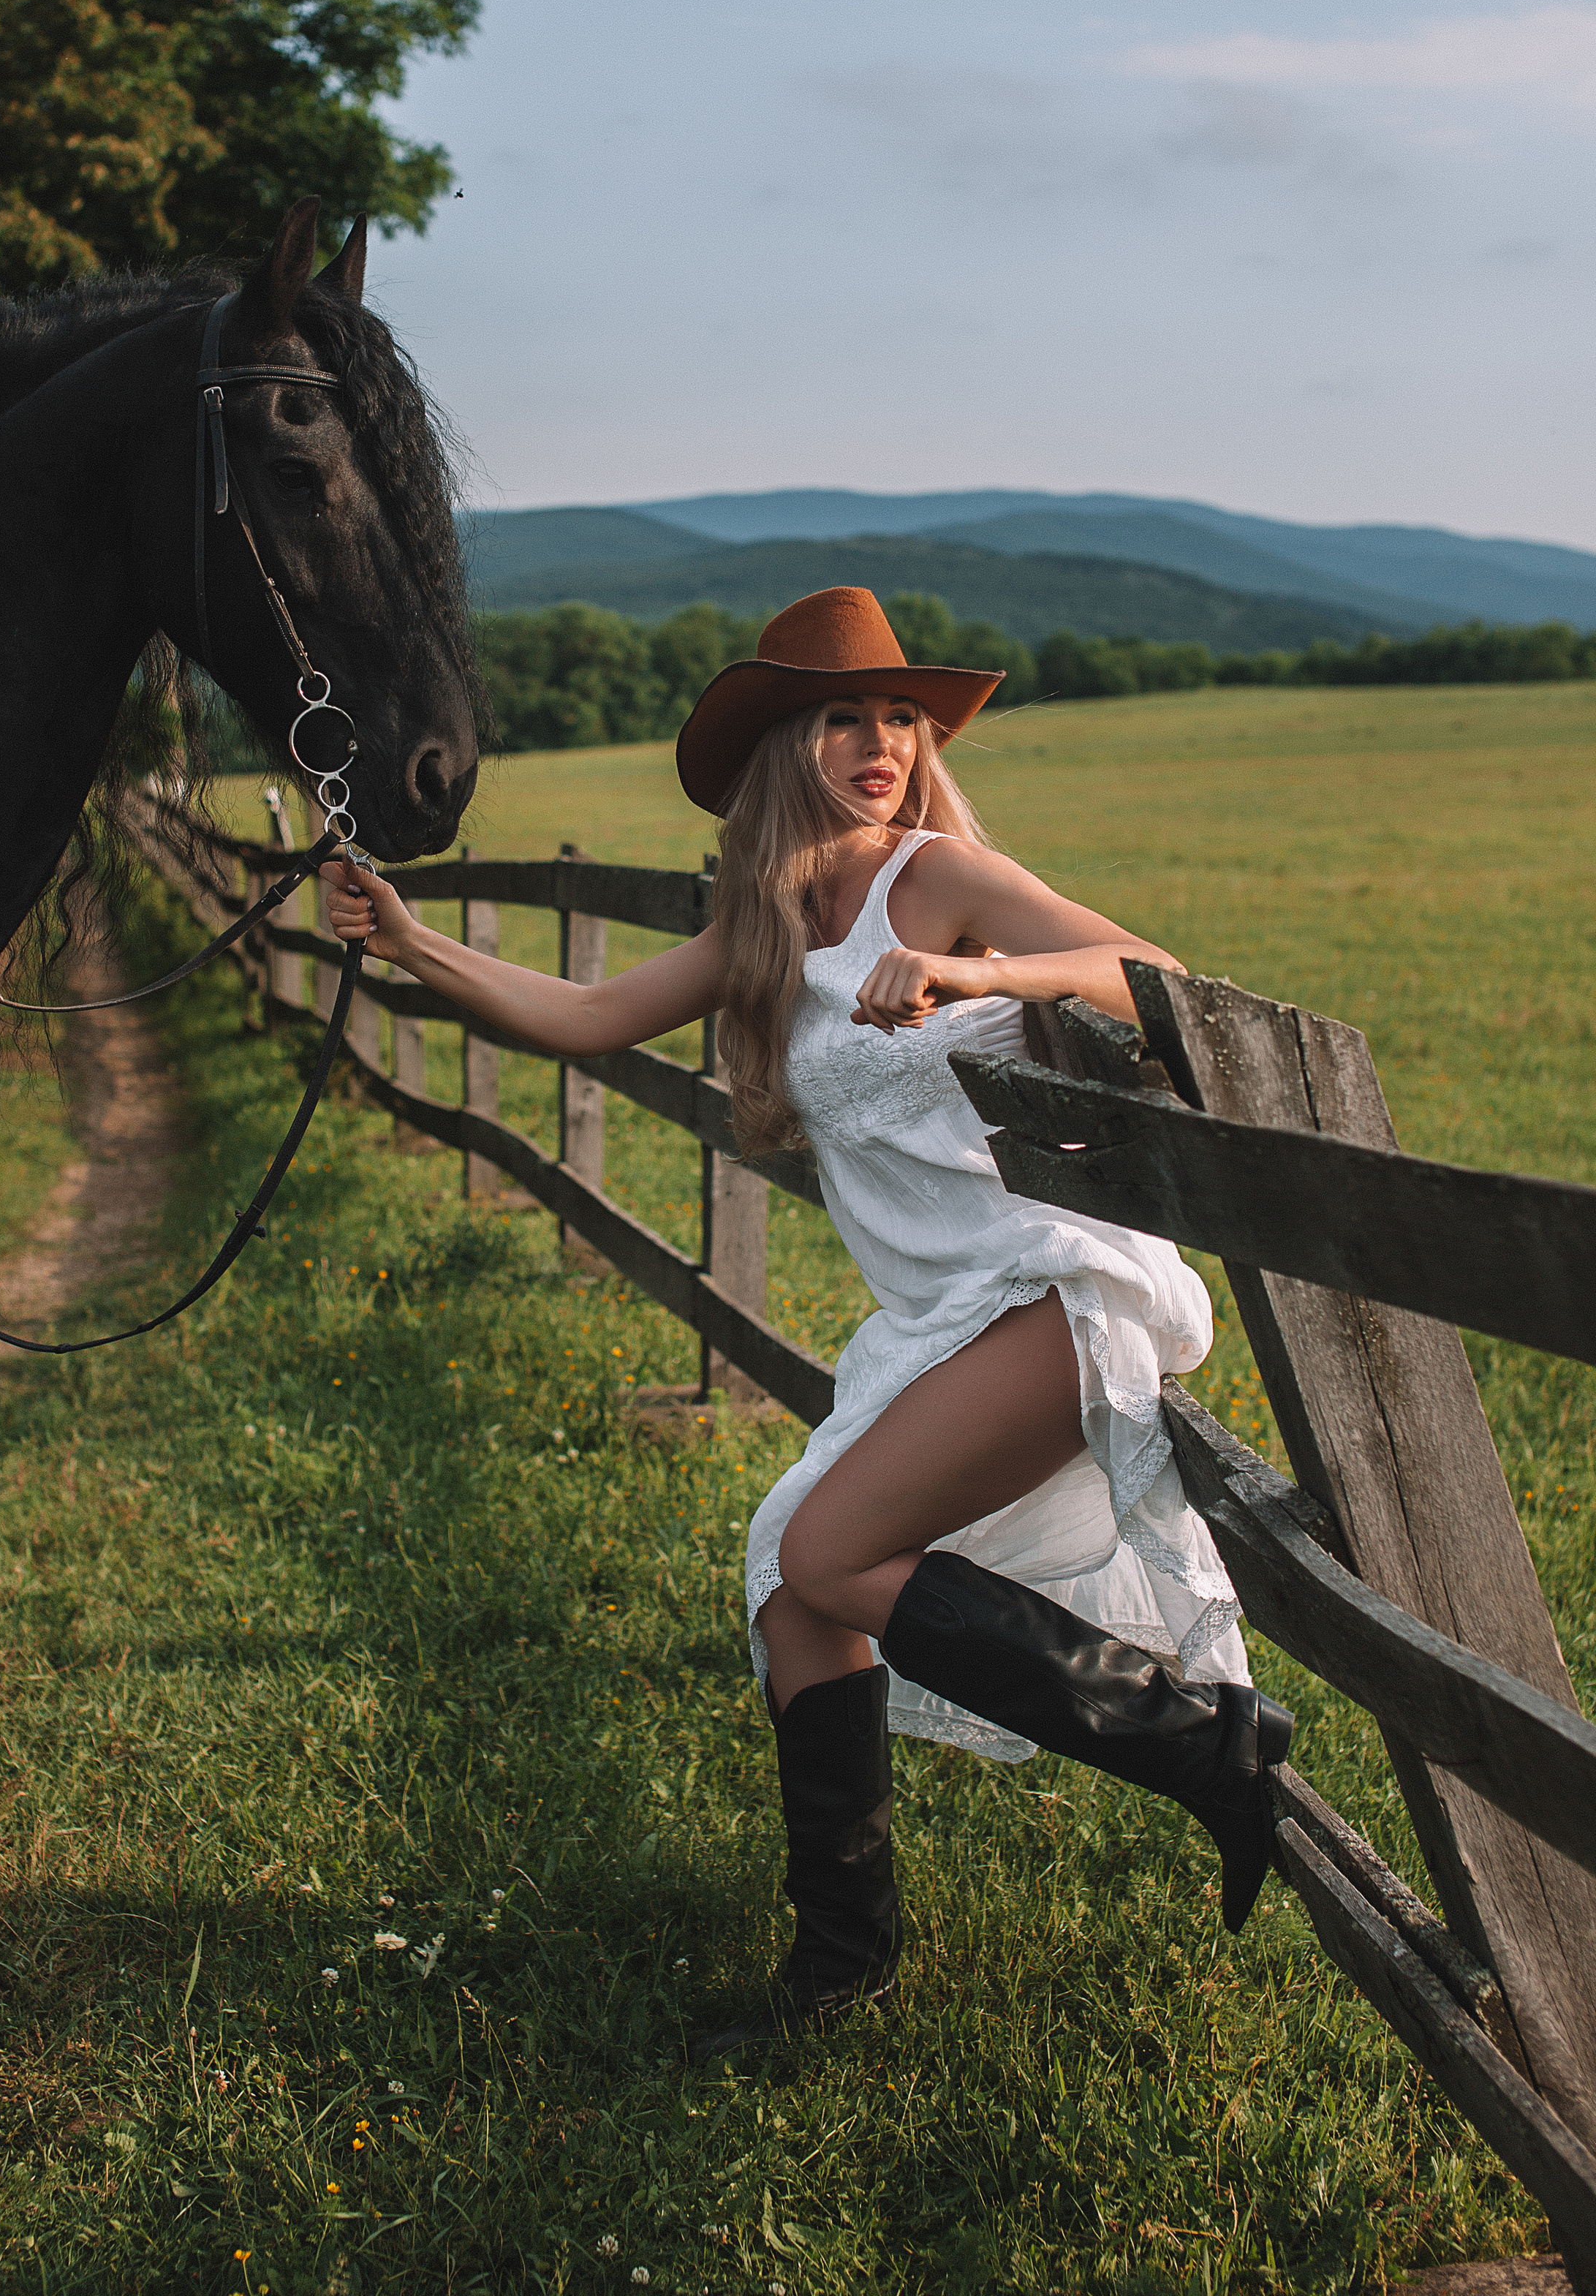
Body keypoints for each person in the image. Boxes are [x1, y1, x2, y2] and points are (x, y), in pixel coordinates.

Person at [322, 586, 1290, 2060]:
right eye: (846, 716)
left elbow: (1152, 975)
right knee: (793, 1585)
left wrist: (981, 970)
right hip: (941, 1318)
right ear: (786, 744)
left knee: (832, 1553)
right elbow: (585, 1018)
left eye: (899, 717)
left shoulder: (941, 873)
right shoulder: (763, 922)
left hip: (1053, 1285)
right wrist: (407, 943)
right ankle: (837, 1968)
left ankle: (1204, 1745)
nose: (880, 742)